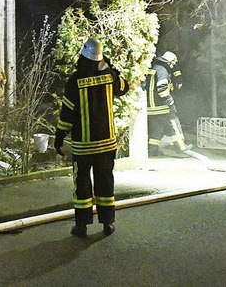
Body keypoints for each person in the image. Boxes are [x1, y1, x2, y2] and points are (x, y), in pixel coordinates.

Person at [54, 37, 129, 237]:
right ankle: (108, 222)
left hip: (83, 146)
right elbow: (124, 87)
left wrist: (60, 136)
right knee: (105, 181)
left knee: (82, 184)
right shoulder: (109, 77)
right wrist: (111, 68)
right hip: (106, 144)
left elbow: (67, 113)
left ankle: (81, 225)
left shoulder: (75, 81)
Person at [144, 51, 190, 155]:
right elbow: (162, 89)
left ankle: (152, 151)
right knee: (174, 124)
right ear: (169, 62)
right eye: (173, 63)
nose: (173, 66)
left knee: (155, 131)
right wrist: (170, 102)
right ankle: (182, 149)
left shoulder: (153, 69)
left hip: (150, 109)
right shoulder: (163, 71)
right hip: (162, 107)